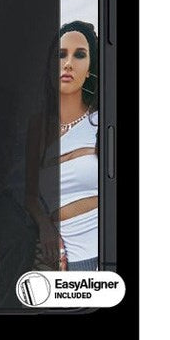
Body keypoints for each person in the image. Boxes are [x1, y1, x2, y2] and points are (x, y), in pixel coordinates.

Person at [25, 22, 99, 271]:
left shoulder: (102, 121)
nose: (68, 64)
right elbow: (31, 196)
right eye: (60, 55)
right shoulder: (39, 127)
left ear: (89, 69)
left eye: (79, 55)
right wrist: (46, 228)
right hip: (71, 258)